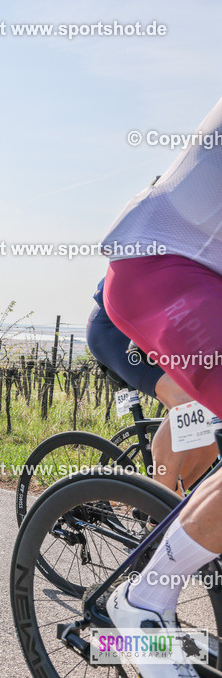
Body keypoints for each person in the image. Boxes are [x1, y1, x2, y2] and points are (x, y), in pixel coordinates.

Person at [99, 97, 222, 678]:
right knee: (188, 411)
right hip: (155, 285)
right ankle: (145, 595)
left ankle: (184, 524)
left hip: (196, 284)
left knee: (205, 436)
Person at [87, 277, 217, 494]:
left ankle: (172, 498)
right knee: (187, 401)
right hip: (118, 330)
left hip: (160, 329)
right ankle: (158, 512)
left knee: (214, 418)